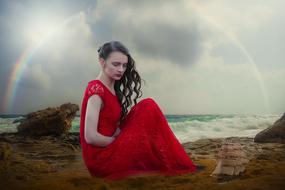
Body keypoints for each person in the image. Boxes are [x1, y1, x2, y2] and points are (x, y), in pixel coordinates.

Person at [79, 41, 197, 180]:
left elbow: (111, 125)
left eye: (124, 65)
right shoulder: (96, 89)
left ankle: (174, 162)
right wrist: (119, 141)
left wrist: (122, 135)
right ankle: (174, 162)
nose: (121, 70)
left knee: (147, 106)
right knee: (148, 105)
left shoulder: (112, 89)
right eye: (116, 64)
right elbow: (90, 137)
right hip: (102, 160)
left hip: (112, 146)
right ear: (102, 62)